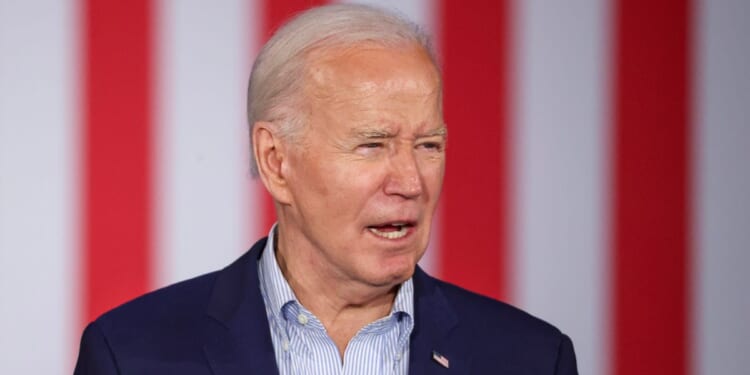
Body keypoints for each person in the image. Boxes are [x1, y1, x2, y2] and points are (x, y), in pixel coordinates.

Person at [74, 4, 577, 374]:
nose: (411, 183)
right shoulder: (130, 354)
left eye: (428, 145)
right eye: (372, 145)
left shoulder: (531, 358)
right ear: (276, 160)